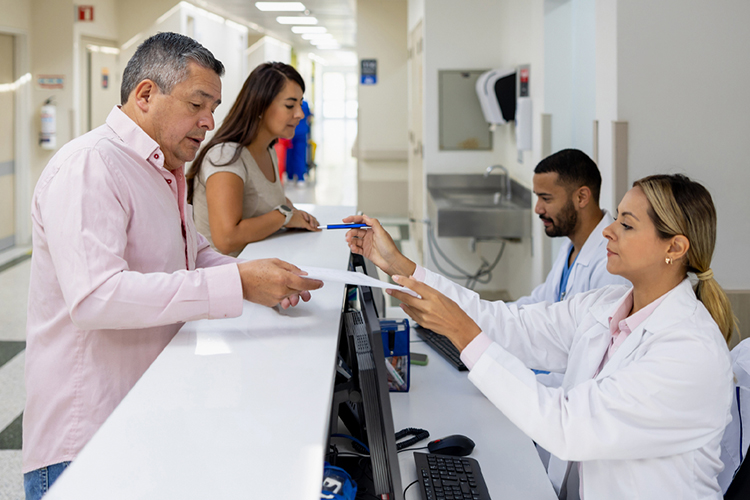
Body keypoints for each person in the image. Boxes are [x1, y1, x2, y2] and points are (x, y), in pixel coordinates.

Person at [23, 33, 323, 499]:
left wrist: (256, 278)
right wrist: (234, 280)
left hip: (143, 411)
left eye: (214, 107)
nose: (208, 122)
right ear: (145, 94)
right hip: (84, 440)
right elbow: (96, 298)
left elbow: (191, 248)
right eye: (197, 104)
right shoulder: (91, 167)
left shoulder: (159, 167)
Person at [346, 174, 736, 499]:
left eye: (627, 225)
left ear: (675, 247)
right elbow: (511, 325)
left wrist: (461, 332)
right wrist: (400, 266)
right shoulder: (609, 304)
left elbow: (569, 426)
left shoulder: (689, 351)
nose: (609, 232)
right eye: (615, 218)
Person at [188, 63, 319, 257]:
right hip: (224, 277)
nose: (300, 114)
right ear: (261, 106)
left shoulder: (268, 150)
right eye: (290, 105)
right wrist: (285, 215)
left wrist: (292, 212)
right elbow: (226, 239)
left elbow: (268, 202)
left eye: (300, 104)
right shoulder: (226, 156)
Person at [515, 149, 629, 306]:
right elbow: (538, 303)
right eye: (538, 197)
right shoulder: (570, 247)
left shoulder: (612, 262)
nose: (538, 209)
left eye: (546, 199)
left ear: (581, 197)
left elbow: (600, 328)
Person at [285, 99, 311, 186]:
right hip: (301, 132)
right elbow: (308, 117)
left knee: (290, 155)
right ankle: (300, 178)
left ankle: (290, 177)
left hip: (290, 132)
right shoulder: (305, 104)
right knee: (300, 155)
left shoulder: (288, 103)